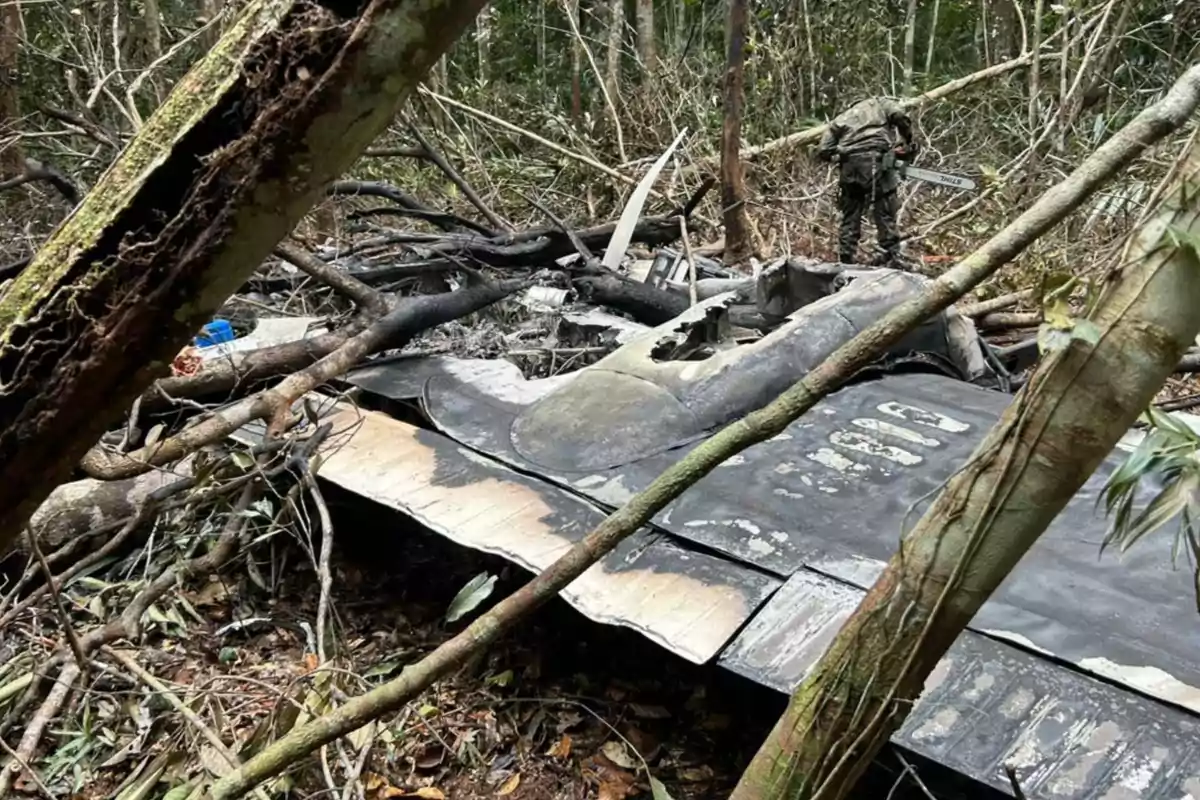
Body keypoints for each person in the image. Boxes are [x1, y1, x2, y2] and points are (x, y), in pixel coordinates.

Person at [815, 97, 920, 266]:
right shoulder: (880, 103)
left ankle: (846, 257)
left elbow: (823, 150)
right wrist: (907, 139)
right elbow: (899, 115)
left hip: (851, 169)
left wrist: (842, 155)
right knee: (884, 210)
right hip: (879, 161)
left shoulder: (841, 118)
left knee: (851, 213)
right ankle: (891, 254)